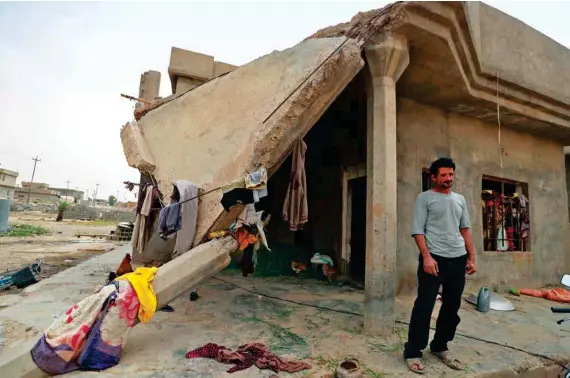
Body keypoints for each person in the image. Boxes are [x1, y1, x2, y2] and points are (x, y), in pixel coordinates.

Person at [404, 157, 476, 374]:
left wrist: (471, 257)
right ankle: (413, 351)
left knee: (452, 306)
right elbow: (418, 230)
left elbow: (465, 229)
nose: (448, 179)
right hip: (434, 259)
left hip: (458, 257)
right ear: (433, 177)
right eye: (443, 175)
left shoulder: (460, 199)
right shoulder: (424, 198)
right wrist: (426, 256)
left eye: (451, 174)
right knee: (424, 305)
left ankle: (440, 346)